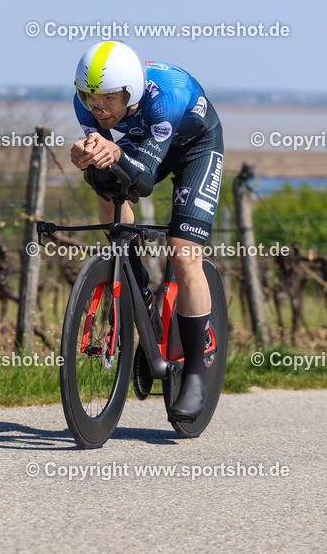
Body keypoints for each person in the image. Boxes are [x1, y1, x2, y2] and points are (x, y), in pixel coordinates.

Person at [69, 41, 224, 423]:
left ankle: (194, 373)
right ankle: (136, 287)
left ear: (131, 94)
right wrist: (87, 156)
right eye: (89, 97)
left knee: (184, 255)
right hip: (149, 140)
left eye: (107, 99)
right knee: (102, 180)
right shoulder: (86, 105)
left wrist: (116, 153)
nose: (96, 108)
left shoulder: (166, 97)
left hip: (195, 148)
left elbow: (143, 181)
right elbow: (107, 164)